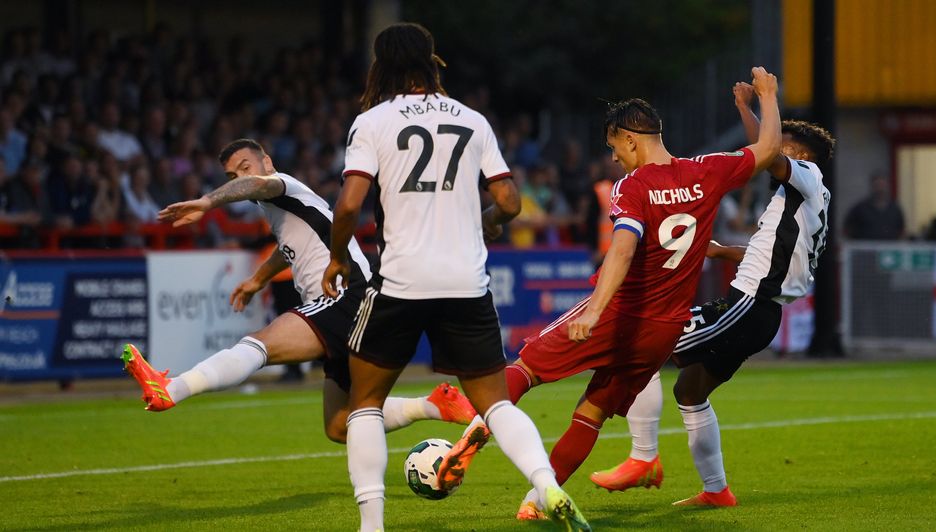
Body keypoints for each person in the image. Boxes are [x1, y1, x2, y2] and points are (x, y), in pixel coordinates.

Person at [450, 67, 783, 521]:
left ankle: (464, 443)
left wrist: (596, 311)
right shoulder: (707, 172)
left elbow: (623, 250)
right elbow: (768, 149)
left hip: (622, 312)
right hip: (663, 332)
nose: (614, 160)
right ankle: (534, 504)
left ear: (631, 140)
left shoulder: (634, 186)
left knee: (524, 369)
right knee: (592, 410)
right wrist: (767, 95)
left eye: (613, 148)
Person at [321, 23, 590, 532]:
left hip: (401, 282)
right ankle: (547, 483)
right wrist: (483, 222)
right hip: (467, 283)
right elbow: (509, 201)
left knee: (365, 405)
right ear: (430, 61)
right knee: (495, 405)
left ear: (381, 66)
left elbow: (349, 205)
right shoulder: (473, 119)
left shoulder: (372, 121)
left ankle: (372, 526)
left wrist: (337, 258)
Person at [121, 138, 476, 444]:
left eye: (245, 167)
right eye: (232, 176)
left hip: (346, 295)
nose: (241, 178)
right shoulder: (284, 208)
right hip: (351, 304)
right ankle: (432, 405)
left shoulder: (280, 184)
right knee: (339, 425)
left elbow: (257, 185)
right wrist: (259, 278)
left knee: (260, 343)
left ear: (267, 163)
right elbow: (290, 246)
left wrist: (208, 201)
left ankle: (172, 389)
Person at [590, 82, 836, 508]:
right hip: (758, 313)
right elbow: (767, 156)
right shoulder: (799, 195)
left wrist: (767, 98)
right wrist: (744, 106)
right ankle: (716, 490)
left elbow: (767, 152)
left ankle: (642, 457)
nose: (774, 147)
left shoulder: (807, 176)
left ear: (802, 157)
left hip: (748, 305)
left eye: (785, 146)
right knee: (689, 390)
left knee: (641, 344)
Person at [843, 172, 904, 240]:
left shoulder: (895, 209)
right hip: (864, 249)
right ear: (872, 186)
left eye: (882, 185)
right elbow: (847, 229)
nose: (880, 189)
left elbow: (901, 231)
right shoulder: (860, 208)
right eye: (877, 185)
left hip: (889, 248)